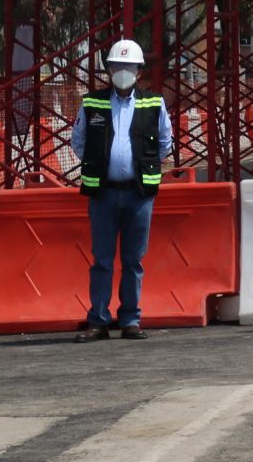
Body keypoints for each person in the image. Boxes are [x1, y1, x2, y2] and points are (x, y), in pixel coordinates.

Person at [71, 38, 172, 341]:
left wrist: (140, 165)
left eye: (129, 67)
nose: (123, 71)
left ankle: (130, 319)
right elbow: (78, 141)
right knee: (101, 259)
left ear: (139, 72)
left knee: (133, 260)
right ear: (109, 69)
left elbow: (165, 142)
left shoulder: (154, 103)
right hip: (103, 193)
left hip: (138, 194)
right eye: (118, 66)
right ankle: (99, 320)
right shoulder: (92, 103)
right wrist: (102, 164)